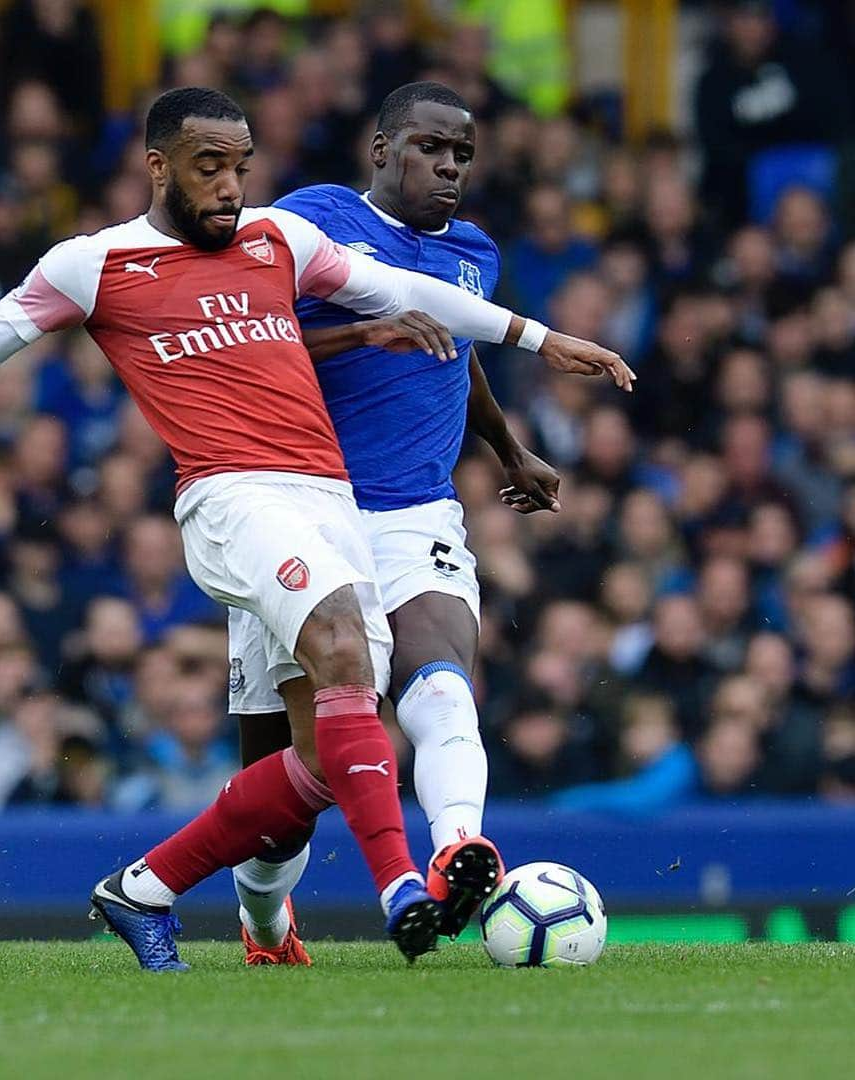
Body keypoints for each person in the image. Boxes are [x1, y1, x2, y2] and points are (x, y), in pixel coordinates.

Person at [0, 87, 633, 970]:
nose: (231, 186)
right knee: (349, 649)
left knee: (316, 765)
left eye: (241, 167)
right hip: (232, 500)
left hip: (328, 503)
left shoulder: (282, 240)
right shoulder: (97, 263)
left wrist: (542, 341)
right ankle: (402, 888)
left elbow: (410, 291)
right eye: (209, 167)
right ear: (157, 166)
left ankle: (146, 890)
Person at [228, 82, 567, 964]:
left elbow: (451, 347)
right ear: (381, 149)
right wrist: (364, 333)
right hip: (297, 514)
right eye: (428, 147)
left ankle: (459, 847)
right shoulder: (314, 221)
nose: (448, 166)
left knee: (444, 683)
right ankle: (265, 921)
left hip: (414, 509)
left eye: (461, 154)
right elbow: (249, 336)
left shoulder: (474, 253)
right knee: (290, 795)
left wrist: (506, 448)